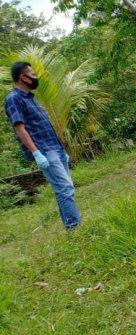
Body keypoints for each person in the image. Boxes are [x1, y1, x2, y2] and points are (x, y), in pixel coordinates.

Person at [4, 62, 81, 230]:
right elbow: (19, 128)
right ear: (22, 77)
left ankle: (71, 227)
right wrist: (36, 153)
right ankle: (75, 228)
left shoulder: (31, 98)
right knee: (65, 188)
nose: (35, 77)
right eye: (32, 74)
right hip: (45, 150)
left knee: (65, 188)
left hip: (56, 147)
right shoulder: (13, 99)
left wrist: (62, 149)